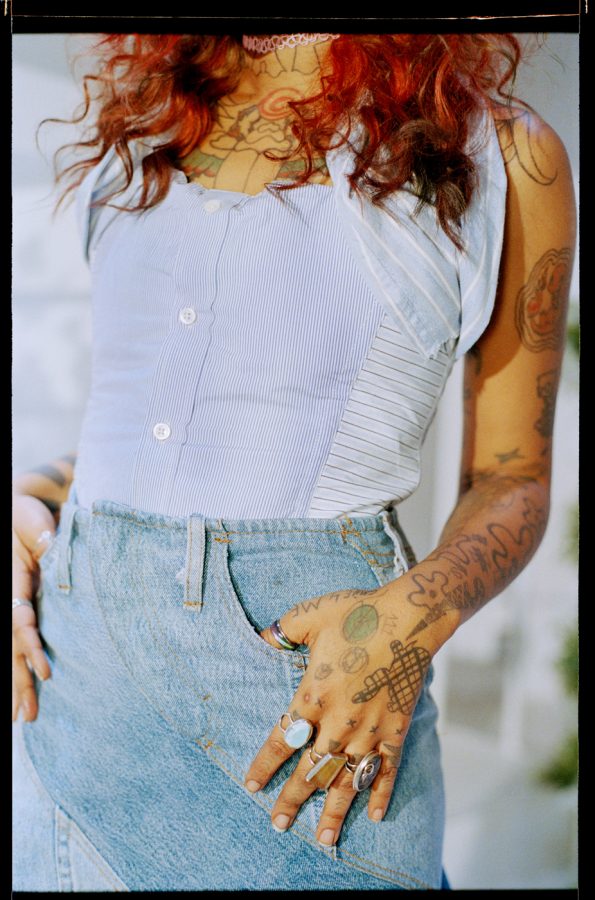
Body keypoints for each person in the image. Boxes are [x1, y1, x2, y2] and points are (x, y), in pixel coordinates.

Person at [12, 33, 576, 891]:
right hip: (75, 705)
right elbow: (148, 427)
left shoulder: (498, 152)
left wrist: (411, 619)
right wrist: (33, 495)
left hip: (315, 703)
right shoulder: (148, 125)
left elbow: (512, 477)